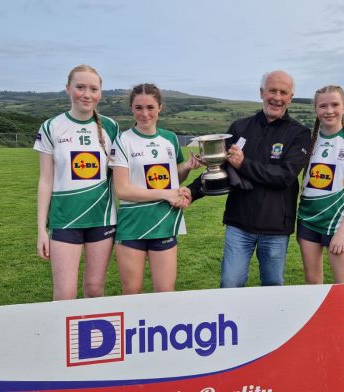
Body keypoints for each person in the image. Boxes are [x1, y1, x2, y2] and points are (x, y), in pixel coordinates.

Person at [189, 70, 311, 287]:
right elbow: (220, 167)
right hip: (239, 223)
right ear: (261, 93)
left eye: (284, 92)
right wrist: (190, 192)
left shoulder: (299, 134)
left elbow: (284, 176)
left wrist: (244, 164)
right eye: (272, 90)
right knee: (230, 283)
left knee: (273, 286)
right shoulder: (240, 127)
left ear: (291, 97)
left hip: (275, 227)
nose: (277, 97)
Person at [297, 85, 344, 385]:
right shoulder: (309, 139)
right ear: (315, 109)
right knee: (313, 284)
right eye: (322, 106)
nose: (328, 111)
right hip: (307, 222)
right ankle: (322, 341)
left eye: (334, 105)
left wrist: (343, 231)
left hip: (338, 227)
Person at [35, 64, 119, 300]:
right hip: (65, 220)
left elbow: (124, 172)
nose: (87, 94)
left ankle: (93, 338)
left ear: (100, 93)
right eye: (80, 87)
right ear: (67, 89)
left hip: (101, 220)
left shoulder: (111, 127)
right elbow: (45, 180)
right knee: (65, 294)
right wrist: (42, 229)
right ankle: (62, 338)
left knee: (94, 290)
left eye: (93, 88)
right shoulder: (51, 126)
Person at [111, 83, 200, 294]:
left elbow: (174, 177)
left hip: (163, 221)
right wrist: (166, 194)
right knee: (132, 292)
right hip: (132, 225)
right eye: (138, 107)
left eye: (150, 107)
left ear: (160, 107)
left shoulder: (169, 139)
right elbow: (122, 190)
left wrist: (186, 166)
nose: (144, 114)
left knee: (165, 292)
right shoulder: (123, 140)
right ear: (131, 108)